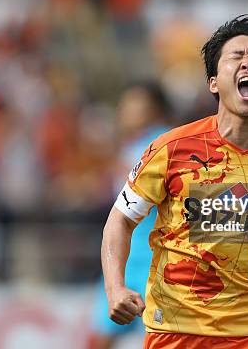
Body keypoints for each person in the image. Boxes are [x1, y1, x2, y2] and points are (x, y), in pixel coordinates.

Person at [101, 16, 248, 349]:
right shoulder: (171, 150)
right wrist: (115, 288)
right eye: (235, 56)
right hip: (175, 333)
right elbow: (120, 220)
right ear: (213, 82)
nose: (247, 63)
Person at [89, 83, 171, 349]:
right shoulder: (132, 145)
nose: (126, 110)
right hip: (128, 254)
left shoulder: (162, 142)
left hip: (153, 257)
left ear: (154, 108)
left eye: (134, 104)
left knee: (157, 337)